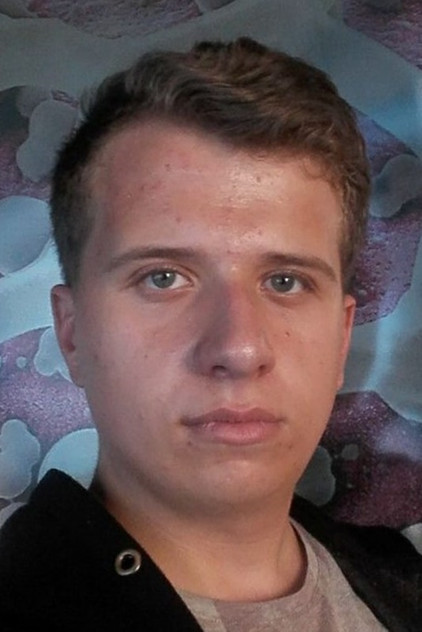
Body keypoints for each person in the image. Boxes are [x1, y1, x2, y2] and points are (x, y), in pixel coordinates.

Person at [0, 37, 420, 632]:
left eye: (285, 281)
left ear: (342, 339)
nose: (239, 349)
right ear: (72, 334)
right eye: (163, 278)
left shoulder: (404, 579)